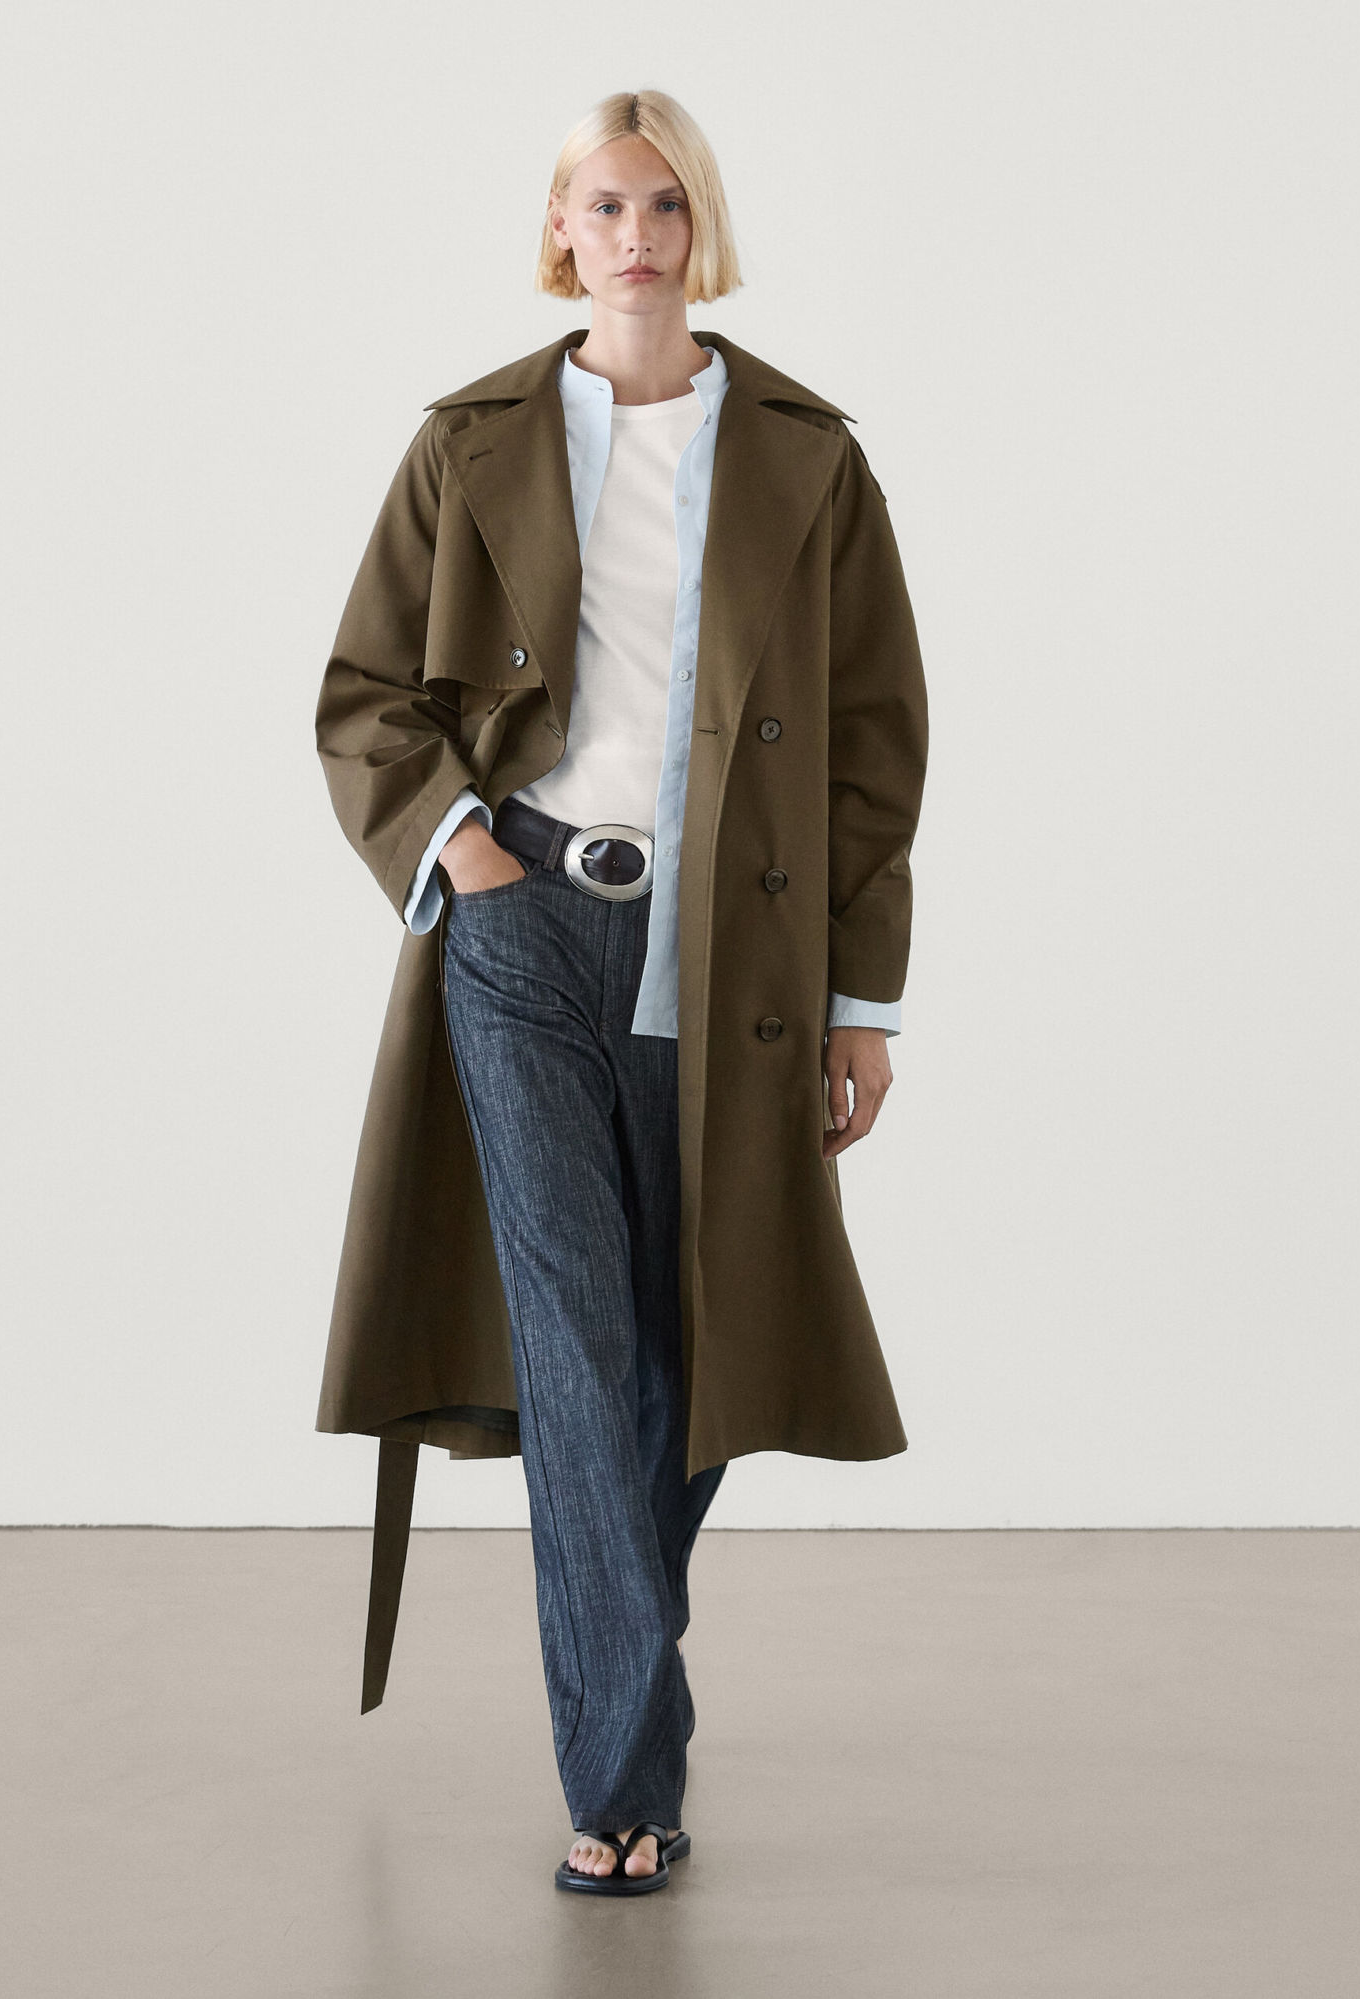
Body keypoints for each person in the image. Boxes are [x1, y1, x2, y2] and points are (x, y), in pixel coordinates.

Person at [313, 87, 929, 1899]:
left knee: (692, 1338)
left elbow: (874, 748)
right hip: (516, 932)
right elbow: (367, 693)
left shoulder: (808, 457)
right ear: (560, 231)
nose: (637, 237)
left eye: (666, 205)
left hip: (731, 948)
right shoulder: (472, 440)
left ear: (700, 227)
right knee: (577, 1349)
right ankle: (622, 1780)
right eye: (605, 206)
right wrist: (465, 855)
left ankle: (620, 1670)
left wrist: (864, 1000)